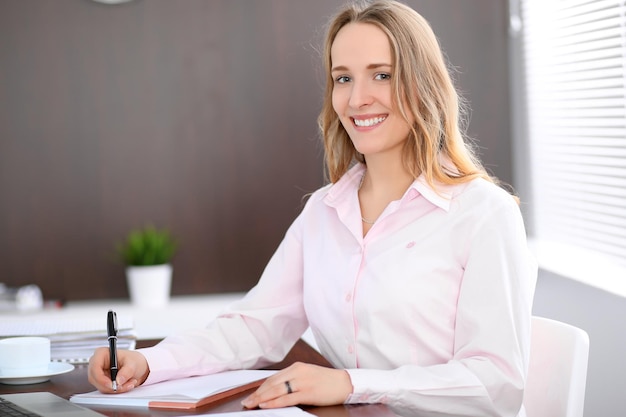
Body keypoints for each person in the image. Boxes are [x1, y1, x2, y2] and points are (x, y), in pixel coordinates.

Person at [88, 1, 537, 416]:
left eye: (381, 74)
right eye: (343, 77)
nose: (357, 99)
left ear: (423, 84)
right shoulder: (324, 211)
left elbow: (496, 383)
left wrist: (348, 383)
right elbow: (254, 327)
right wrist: (148, 362)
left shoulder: (484, 214)